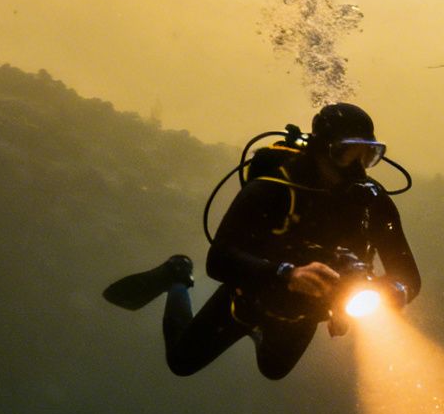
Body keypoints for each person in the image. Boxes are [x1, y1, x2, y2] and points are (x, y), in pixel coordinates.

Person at [103, 102, 421, 379]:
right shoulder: (272, 189)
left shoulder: (373, 202)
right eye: (346, 153)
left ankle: (260, 330)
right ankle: (177, 275)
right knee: (181, 362)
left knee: (273, 369)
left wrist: (391, 292)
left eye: (368, 155)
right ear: (321, 150)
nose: (357, 168)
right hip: (250, 295)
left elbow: (409, 277)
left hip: (306, 310)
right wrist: (287, 274)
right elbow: (218, 260)